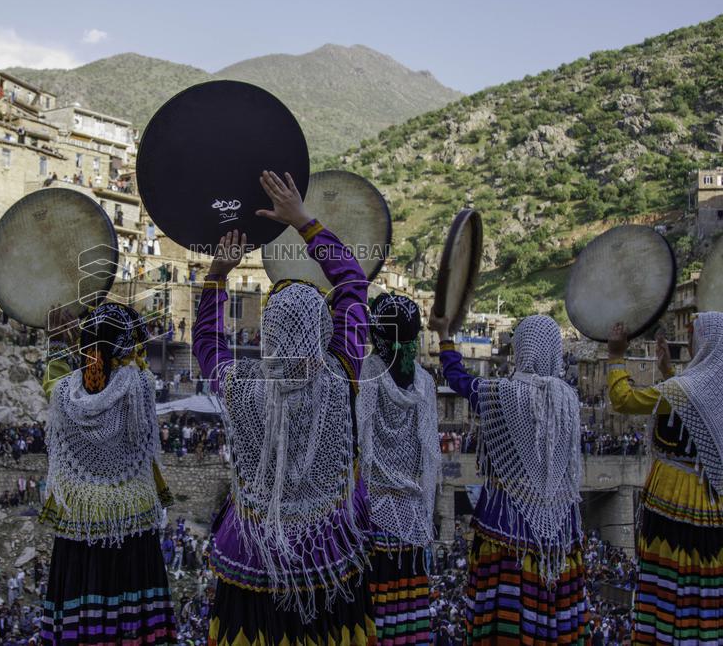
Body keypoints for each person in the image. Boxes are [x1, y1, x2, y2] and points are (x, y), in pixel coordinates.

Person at [193, 171, 373, 644]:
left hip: (252, 555)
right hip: (327, 554)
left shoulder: (242, 386)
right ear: (322, 331)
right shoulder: (342, 374)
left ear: (267, 336)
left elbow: (210, 345)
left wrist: (216, 277)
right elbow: (353, 285)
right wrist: (305, 223)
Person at [431, 313, 588, 644]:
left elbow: (457, 378)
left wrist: (445, 337)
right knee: (554, 606)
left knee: (506, 614)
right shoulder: (569, 400)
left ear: (522, 349)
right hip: (560, 528)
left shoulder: (502, 394)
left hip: (507, 523)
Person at [39, 302, 177, 644]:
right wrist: (86, 345)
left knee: (82, 617)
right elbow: (125, 368)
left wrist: (61, 347)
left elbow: (56, 383)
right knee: (134, 621)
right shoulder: (140, 385)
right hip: (132, 526)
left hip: (80, 526)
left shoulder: (65, 396)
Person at [607, 318, 723, 643]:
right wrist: (668, 374)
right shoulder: (712, 391)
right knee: (699, 583)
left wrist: (617, 357)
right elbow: (692, 423)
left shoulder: (685, 391)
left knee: (669, 581)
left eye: (693, 339)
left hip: (675, 500)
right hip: (710, 504)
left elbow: (624, 400)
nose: (688, 345)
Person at [357, 294, 441, 644]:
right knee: (407, 616)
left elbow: (358, 441)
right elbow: (431, 455)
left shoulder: (365, 375)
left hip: (370, 519)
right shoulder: (425, 383)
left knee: (371, 611)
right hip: (411, 521)